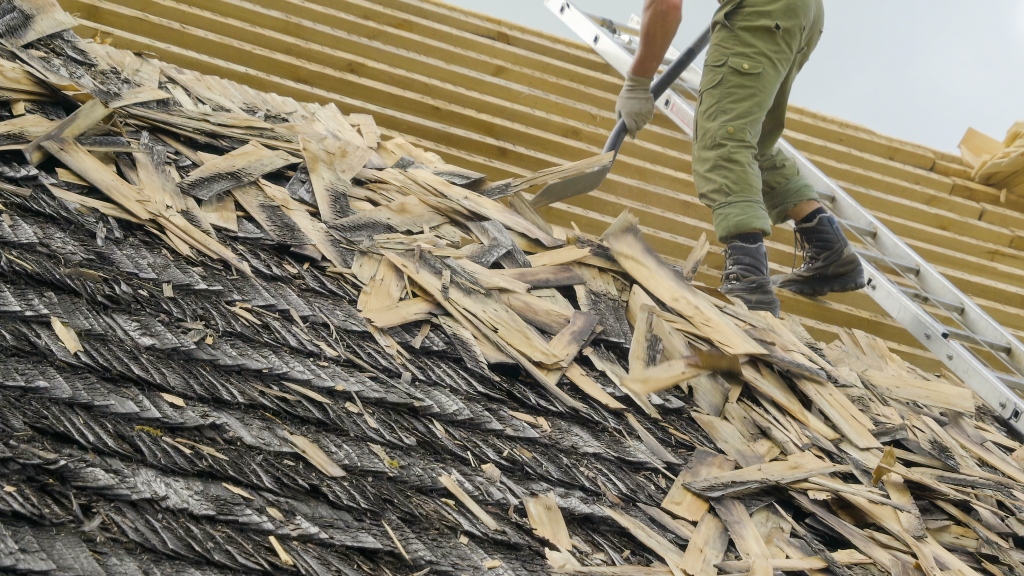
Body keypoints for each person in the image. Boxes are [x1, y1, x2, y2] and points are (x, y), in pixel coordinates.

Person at [615, 0, 865, 317]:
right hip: (803, 14)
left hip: (763, 13)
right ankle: (828, 247)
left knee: (723, 139)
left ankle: (747, 282)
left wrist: (637, 82)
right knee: (751, 141)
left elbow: (664, 6)